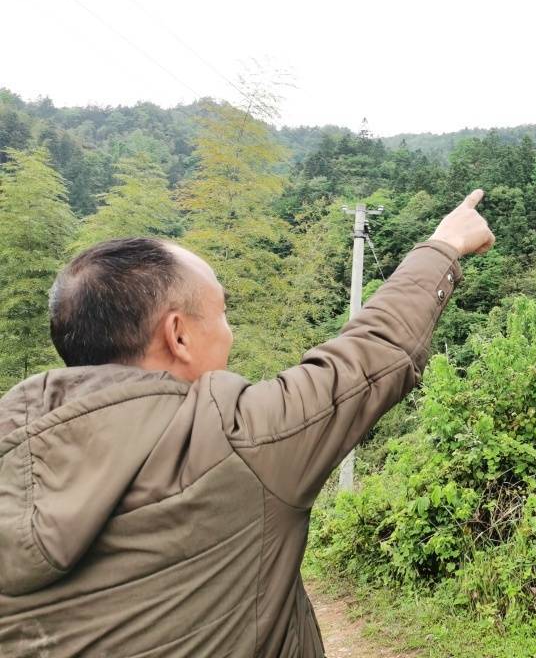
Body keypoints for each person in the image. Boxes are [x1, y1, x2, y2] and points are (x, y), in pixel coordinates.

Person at [0, 189, 494, 657]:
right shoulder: (236, 442)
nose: (229, 333)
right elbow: (374, 351)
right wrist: (445, 245)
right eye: (221, 313)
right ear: (179, 336)